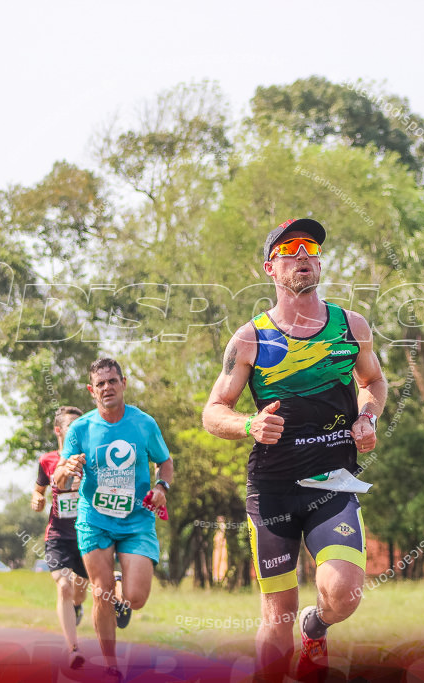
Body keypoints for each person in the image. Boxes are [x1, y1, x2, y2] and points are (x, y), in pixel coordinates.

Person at [202, 218, 387, 682]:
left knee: (343, 593)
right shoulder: (250, 339)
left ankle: (318, 625)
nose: (303, 255)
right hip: (274, 492)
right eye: (290, 250)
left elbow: (374, 382)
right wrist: (249, 423)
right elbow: (213, 411)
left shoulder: (351, 326)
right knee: (276, 618)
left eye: (310, 248)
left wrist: (368, 417)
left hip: (333, 482)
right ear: (271, 268)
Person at [54, 358, 174, 682]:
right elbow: (60, 479)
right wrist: (66, 470)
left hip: (136, 519)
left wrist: (162, 486)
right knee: (100, 591)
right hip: (94, 518)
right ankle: (110, 666)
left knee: (136, 598)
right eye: (101, 384)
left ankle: (122, 591)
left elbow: (165, 462)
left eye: (112, 381)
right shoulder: (81, 429)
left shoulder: (144, 423)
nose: (107, 387)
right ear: (92, 391)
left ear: (124, 383)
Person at [31, 405, 89, 670]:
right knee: (63, 586)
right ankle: (73, 649)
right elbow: (38, 490)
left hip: (87, 534)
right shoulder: (47, 460)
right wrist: (37, 499)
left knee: (79, 592)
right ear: (58, 430)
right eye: (71, 427)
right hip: (58, 535)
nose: (77, 431)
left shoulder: (89, 457)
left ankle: (77, 608)